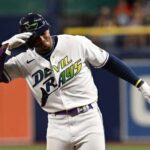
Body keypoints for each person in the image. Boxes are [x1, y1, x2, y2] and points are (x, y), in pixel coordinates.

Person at [0, 13, 150, 150]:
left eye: (43, 32)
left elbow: (109, 62)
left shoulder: (75, 43)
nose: (42, 39)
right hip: (56, 124)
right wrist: (4, 49)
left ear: (48, 29)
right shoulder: (23, 61)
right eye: (35, 38)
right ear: (27, 41)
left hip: (88, 118)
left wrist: (140, 84)